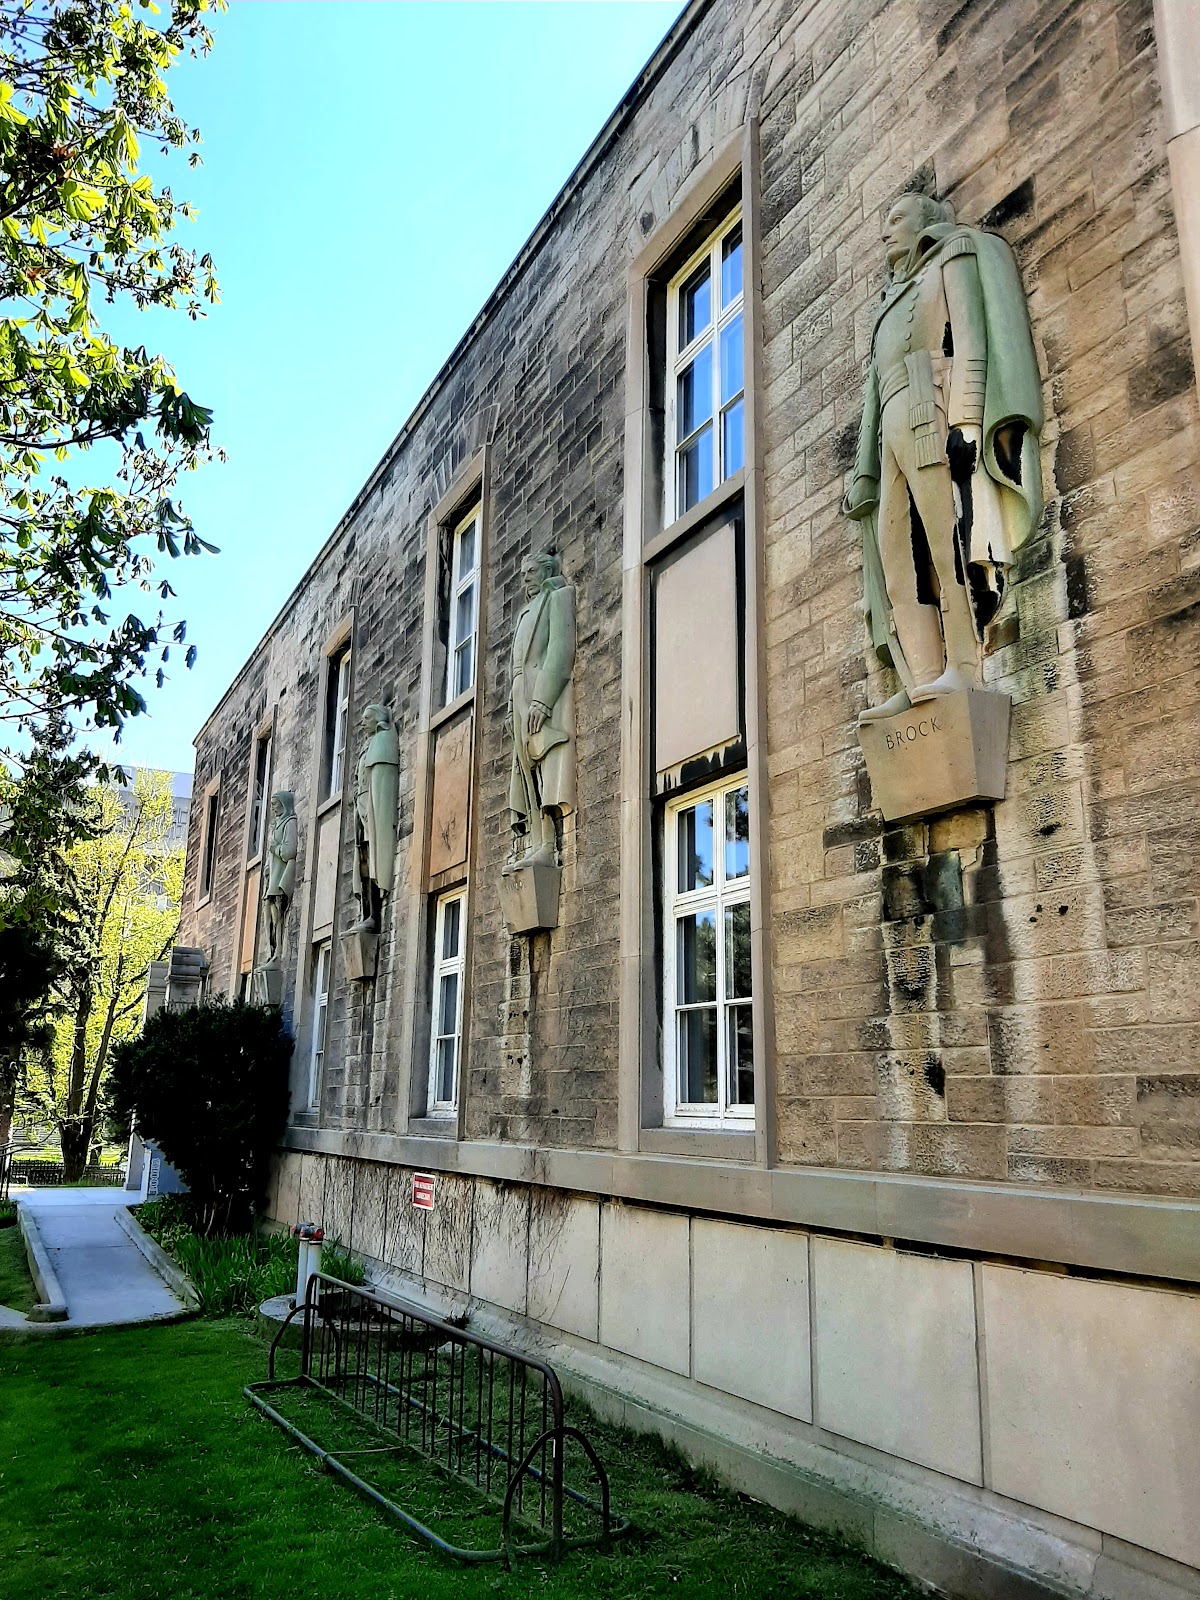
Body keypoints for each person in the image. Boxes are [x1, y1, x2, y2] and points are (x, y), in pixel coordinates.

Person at [844, 190, 1043, 723]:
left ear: (925, 222)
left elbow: (971, 339)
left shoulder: (953, 256)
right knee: (894, 559)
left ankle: (963, 664)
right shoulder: (888, 301)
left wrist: (965, 423)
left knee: (945, 541)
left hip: (930, 404)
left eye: (896, 217)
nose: (886, 229)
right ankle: (924, 677)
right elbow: (872, 390)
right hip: (891, 427)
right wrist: (864, 467)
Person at [505, 549, 576, 873]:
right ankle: (537, 841)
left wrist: (542, 701)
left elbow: (561, 648)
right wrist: (512, 707)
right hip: (520, 695)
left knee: (544, 767)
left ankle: (548, 846)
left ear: (546, 569)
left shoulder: (558, 597)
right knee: (527, 773)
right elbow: (515, 668)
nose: (525, 578)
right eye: (522, 573)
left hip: (539, 694)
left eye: (530, 571)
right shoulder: (524, 613)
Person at [351, 703, 399, 931]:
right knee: (362, 857)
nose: (363, 723)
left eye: (367, 718)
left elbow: (381, 783)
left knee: (373, 856)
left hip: (373, 807)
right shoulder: (367, 745)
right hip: (361, 807)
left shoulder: (384, 740)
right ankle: (367, 912)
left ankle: (374, 915)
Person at [261, 790, 297, 961]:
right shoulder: (278, 824)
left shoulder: (290, 822)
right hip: (272, 877)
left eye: (275, 804)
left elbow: (289, 851)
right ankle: (271, 951)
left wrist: (275, 848)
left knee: (277, 917)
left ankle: (278, 952)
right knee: (268, 917)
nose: (273, 808)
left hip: (281, 877)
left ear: (284, 804)